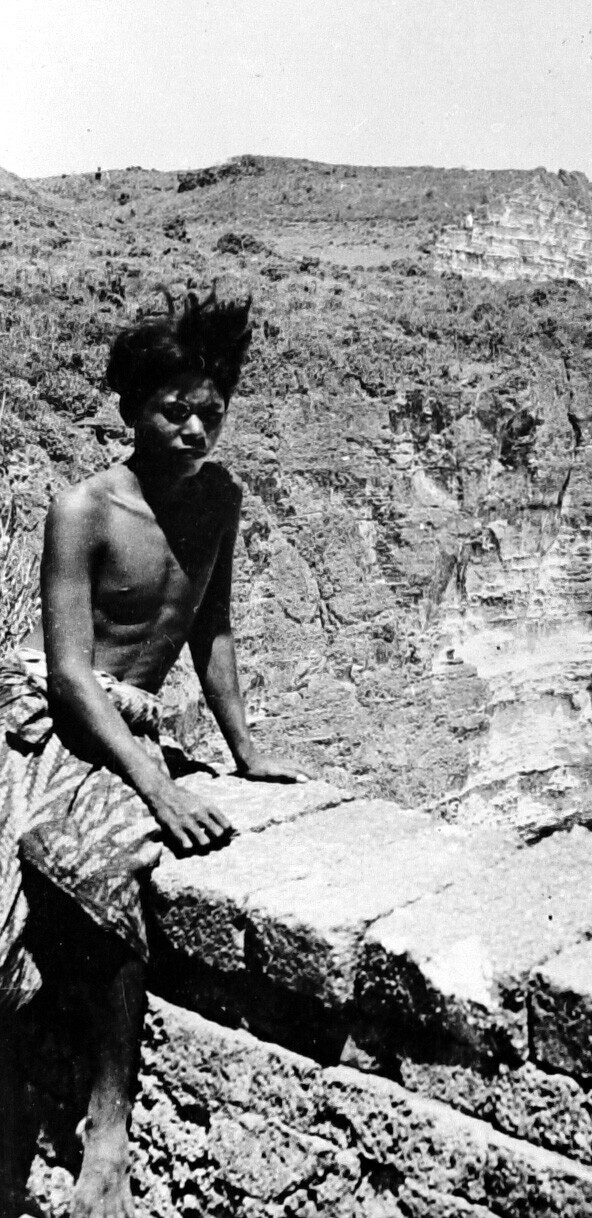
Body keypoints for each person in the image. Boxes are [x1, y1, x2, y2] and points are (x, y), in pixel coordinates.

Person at [0, 290, 308, 1218]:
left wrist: (245, 753)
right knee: (44, 873)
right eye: (174, 409)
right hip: (56, 714)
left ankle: (110, 1123)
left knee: (103, 860)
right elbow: (69, 676)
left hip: (131, 721)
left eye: (211, 410)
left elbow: (211, 629)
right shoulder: (83, 509)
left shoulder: (220, 501)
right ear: (131, 408)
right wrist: (157, 785)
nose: (195, 429)